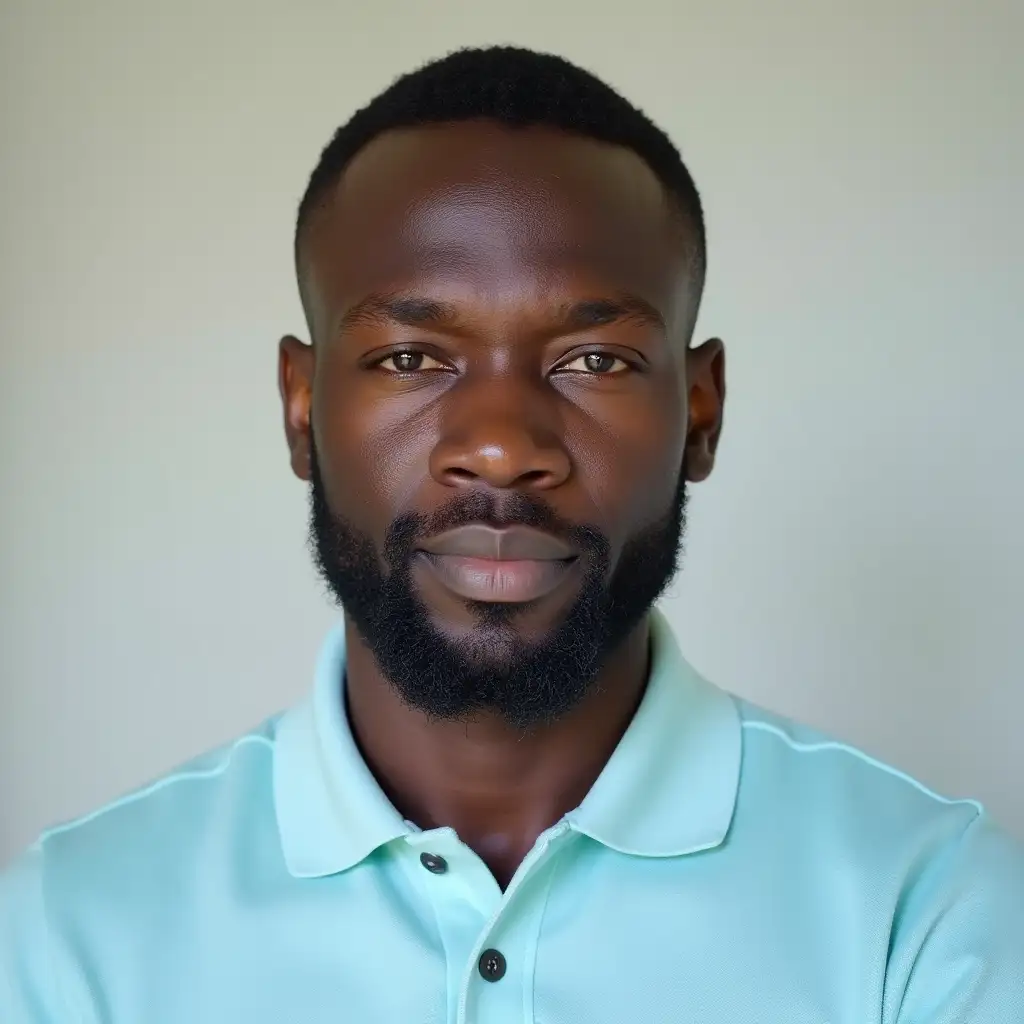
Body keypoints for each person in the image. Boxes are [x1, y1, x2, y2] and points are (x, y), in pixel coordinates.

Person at [1, 44, 1022, 1024]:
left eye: (595, 362)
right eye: (409, 358)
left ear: (700, 412)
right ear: (300, 409)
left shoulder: (929, 919)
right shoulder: (71, 935)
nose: (499, 449)